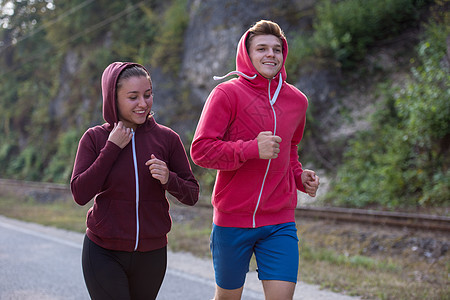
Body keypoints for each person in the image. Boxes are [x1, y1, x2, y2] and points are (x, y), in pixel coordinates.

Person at [190, 20, 320, 300]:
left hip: (279, 220)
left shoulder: (297, 101)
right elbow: (201, 150)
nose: (270, 54)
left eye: (276, 49)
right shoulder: (227, 94)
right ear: (247, 55)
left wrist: (299, 178)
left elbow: (291, 149)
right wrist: (250, 149)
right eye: (261, 48)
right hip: (231, 220)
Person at [71, 62, 199, 300]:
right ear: (113, 98)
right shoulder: (95, 138)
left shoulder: (167, 138)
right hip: (103, 251)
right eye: (133, 97)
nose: (143, 104)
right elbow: (80, 193)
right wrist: (111, 148)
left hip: (152, 254)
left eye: (147, 95)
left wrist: (168, 178)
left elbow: (192, 194)